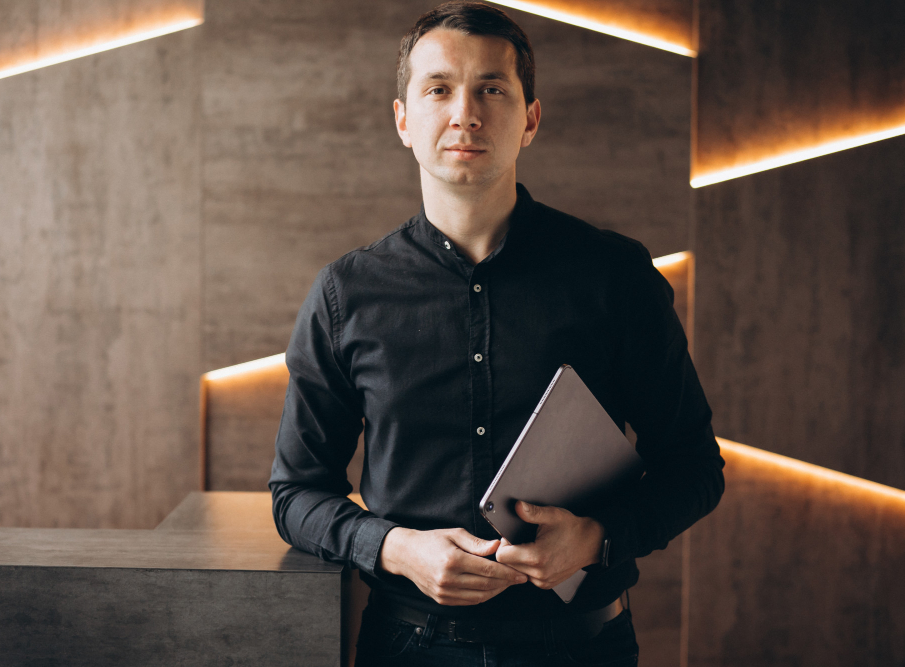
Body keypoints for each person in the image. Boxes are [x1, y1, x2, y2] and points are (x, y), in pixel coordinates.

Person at [269, 2, 725, 665]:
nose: (465, 112)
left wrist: (594, 538)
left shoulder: (616, 275)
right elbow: (296, 492)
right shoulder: (346, 293)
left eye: (491, 88)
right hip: (409, 644)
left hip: (585, 646)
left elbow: (694, 466)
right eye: (438, 89)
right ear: (403, 120)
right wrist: (397, 547)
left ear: (530, 119)